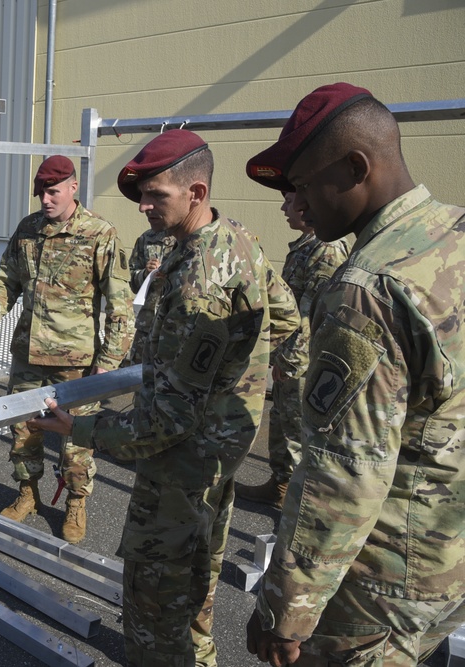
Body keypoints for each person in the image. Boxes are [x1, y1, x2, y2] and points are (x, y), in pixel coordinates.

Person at [30, 129, 299, 665]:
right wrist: (233, 380)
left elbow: (166, 421)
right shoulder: (238, 239)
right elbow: (286, 316)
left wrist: (78, 427)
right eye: (142, 196)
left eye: (157, 196)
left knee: (154, 611)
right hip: (219, 451)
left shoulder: (199, 277)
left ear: (196, 192)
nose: (145, 207)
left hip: (182, 465)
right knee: (198, 590)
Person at [244, 83, 465, 666]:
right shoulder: (452, 232)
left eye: (304, 185)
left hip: (388, 574)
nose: (297, 203)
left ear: (355, 167)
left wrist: (285, 610)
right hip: (451, 548)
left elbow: (344, 473)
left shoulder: (367, 288)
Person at [0, 155, 132, 544]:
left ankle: (76, 502)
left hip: (76, 361)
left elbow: (120, 304)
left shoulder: (99, 234)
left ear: (73, 188)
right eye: (40, 192)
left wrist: (108, 363)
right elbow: (7, 279)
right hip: (28, 354)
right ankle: (27, 492)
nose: (45, 199)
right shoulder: (28, 229)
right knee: (23, 430)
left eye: (53, 191)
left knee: (76, 439)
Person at [236, 191, 348, 508]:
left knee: (301, 431)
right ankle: (281, 485)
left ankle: (301, 504)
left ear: (309, 203)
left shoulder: (325, 251)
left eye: (289, 201)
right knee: (284, 425)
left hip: (306, 361)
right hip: (292, 355)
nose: (284, 208)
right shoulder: (307, 246)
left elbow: (313, 315)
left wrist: (290, 360)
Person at [127, 227, 175, 365]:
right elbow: (130, 278)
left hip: (175, 325)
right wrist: (145, 274)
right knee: (136, 376)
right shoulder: (147, 238)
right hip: (147, 325)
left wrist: (168, 274)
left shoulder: (191, 239)